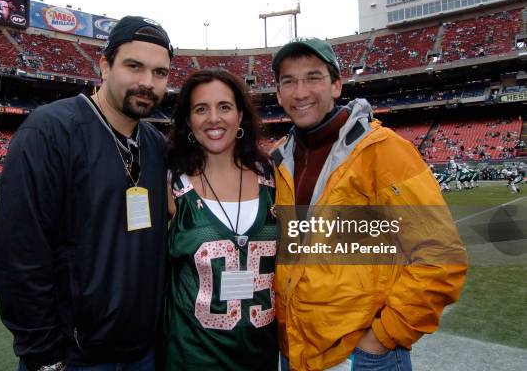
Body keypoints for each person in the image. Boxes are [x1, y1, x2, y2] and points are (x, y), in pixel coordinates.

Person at [270, 38, 468, 370]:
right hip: (296, 352)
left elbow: (441, 258)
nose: (300, 91)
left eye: (313, 77)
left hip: (361, 355)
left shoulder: (385, 150)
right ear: (278, 94)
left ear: (336, 85)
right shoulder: (280, 159)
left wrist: (382, 338)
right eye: (288, 81)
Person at [0, 16, 173, 371]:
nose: (147, 82)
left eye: (159, 73)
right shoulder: (50, 132)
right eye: (133, 66)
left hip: (142, 352)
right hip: (74, 357)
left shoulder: (155, 145)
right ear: (104, 65)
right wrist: (43, 354)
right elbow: (18, 251)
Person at [165, 69, 278, 370]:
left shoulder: (275, 178)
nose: (214, 118)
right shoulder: (172, 185)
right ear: (188, 121)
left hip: (261, 356)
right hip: (193, 357)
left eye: (224, 107)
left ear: (240, 115)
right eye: (201, 109)